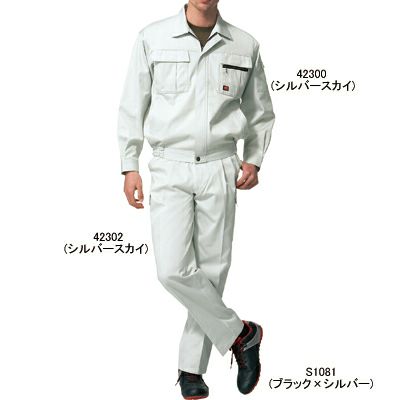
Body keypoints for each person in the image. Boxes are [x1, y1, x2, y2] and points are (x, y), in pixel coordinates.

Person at [117, 1, 275, 398]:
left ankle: (191, 369)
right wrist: (129, 164)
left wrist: (254, 158)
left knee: (211, 270)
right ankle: (241, 334)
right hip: (170, 164)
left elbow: (260, 111)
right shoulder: (152, 38)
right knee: (171, 269)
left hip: (220, 165)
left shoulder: (244, 44)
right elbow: (132, 105)